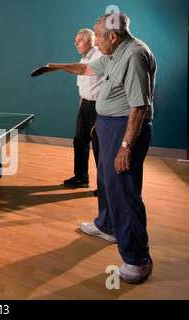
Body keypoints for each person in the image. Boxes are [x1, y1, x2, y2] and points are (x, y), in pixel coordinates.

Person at [46, 12, 156, 283]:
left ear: (113, 36)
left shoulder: (134, 55)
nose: (95, 41)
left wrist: (126, 146)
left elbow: (139, 106)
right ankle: (106, 225)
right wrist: (59, 66)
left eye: (97, 36)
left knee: (124, 191)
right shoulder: (114, 53)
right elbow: (87, 69)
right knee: (106, 180)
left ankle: (138, 260)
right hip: (109, 125)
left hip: (123, 129)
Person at [64, 29, 103, 191]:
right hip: (85, 106)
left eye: (79, 40)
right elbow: (83, 88)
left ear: (91, 40)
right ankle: (81, 177)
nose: (76, 43)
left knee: (100, 147)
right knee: (79, 141)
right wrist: (81, 108)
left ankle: (104, 186)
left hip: (98, 107)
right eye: (75, 40)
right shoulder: (82, 59)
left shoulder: (100, 56)